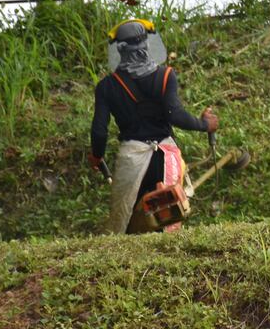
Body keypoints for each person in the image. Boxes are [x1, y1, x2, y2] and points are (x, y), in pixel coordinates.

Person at [88, 19, 218, 234]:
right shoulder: (166, 76)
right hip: (165, 158)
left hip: (132, 159)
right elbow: (174, 115)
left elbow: (99, 130)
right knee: (170, 212)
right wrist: (204, 124)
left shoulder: (106, 86)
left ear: (120, 50)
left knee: (124, 221)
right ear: (146, 44)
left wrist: (96, 155)